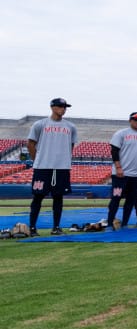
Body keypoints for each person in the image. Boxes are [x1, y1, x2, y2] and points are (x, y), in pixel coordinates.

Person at [27, 98, 77, 236]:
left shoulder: (70, 127)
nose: (63, 109)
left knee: (58, 198)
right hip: (43, 167)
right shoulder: (40, 124)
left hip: (61, 168)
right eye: (61, 106)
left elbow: (71, 146)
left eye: (65, 107)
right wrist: (37, 160)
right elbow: (30, 144)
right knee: (38, 197)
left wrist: (64, 159)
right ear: (52, 107)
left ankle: (56, 227)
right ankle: (32, 227)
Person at [105, 112, 137, 229]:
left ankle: (125, 223)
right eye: (135, 119)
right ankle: (110, 222)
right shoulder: (121, 133)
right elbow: (114, 151)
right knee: (116, 199)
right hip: (120, 175)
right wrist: (118, 167)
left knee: (131, 201)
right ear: (130, 120)